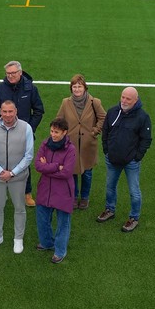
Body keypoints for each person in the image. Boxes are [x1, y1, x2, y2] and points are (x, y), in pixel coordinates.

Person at [0, 60, 44, 207]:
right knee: (2, 159)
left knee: (24, 162)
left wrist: (29, 128)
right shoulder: (0, 88)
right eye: (8, 73)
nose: (10, 76)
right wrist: (0, 126)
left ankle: (27, 192)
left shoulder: (30, 88)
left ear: (20, 72)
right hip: (3, 133)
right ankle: (3, 191)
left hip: (22, 134)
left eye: (13, 73)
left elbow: (38, 110)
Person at [97, 87, 153, 233]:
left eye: (128, 98)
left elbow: (146, 139)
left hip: (131, 162)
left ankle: (134, 217)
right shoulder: (112, 112)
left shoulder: (143, 117)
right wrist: (106, 150)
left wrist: (137, 156)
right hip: (112, 159)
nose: (124, 100)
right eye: (123, 97)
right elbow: (106, 131)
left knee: (134, 191)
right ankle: (110, 209)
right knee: (110, 187)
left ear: (136, 100)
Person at [0, 100, 34, 254]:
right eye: (4, 111)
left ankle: (18, 238)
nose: (8, 115)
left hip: (18, 178)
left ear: (16, 111)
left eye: (10, 111)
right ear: (0, 112)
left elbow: (29, 155)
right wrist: (0, 171)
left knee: (19, 208)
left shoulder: (26, 128)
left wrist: (12, 173)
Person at [56, 74, 106, 210]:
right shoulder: (65, 102)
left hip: (87, 144)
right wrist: (62, 136)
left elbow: (103, 117)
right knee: (72, 172)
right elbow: (59, 120)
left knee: (87, 173)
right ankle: (73, 196)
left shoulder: (94, 102)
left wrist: (95, 131)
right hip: (70, 145)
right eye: (74, 87)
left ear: (84, 88)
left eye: (79, 86)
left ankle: (84, 197)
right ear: (71, 88)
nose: (77, 89)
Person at [34, 118, 77, 264]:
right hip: (45, 189)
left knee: (63, 223)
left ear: (65, 132)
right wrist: (56, 166)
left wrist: (48, 167)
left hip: (63, 192)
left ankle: (60, 251)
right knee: (42, 219)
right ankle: (47, 243)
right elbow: (38, 165)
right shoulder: (45, 144)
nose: (53, 134)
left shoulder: (70, 149)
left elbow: (66, 172)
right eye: (52, 131)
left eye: (57, 132)